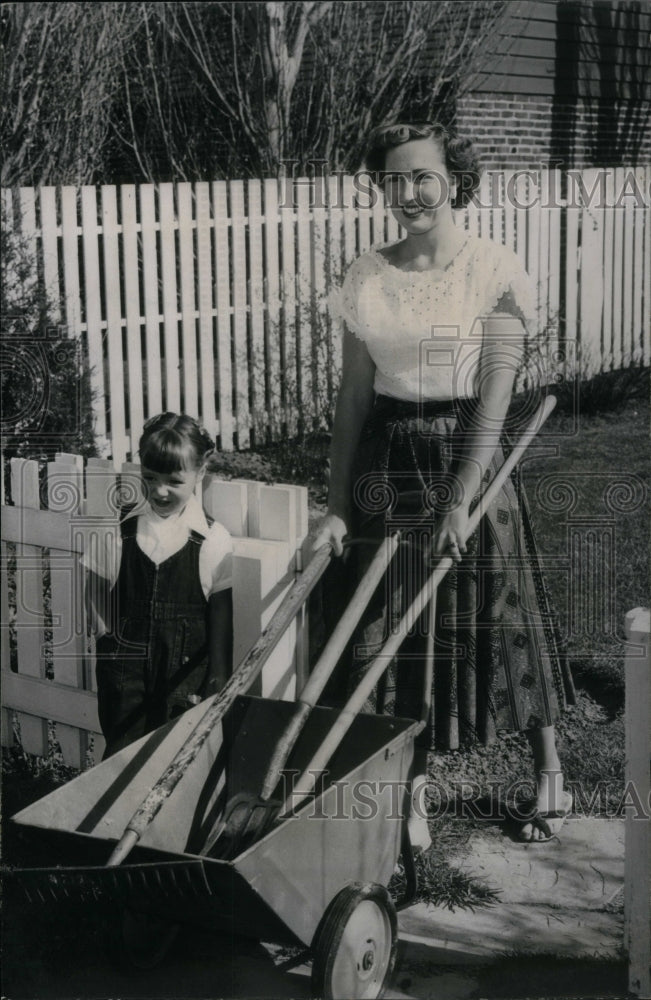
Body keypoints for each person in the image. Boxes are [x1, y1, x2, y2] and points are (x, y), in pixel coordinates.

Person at [312, 121, 574, 847]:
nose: (407, 193)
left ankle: (549, 771)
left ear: (453, 180)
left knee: (496, 612)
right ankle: (410, 789)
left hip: (467, 453)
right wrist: (336, 505)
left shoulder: (491, 268)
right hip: (388, 460)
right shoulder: (367, 274)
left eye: (421, 176)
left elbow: (494, 394)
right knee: (390, 628)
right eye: (392, 180)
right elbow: (352, 399)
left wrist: (461, 497)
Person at [84, 413, 233, 758]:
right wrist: (107, 637)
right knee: (122, 753)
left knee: (176, 754)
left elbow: (221, 613)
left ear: (200, 471)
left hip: (184, 675)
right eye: (150, 478)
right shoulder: (119, 532)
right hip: (125, 673)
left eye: (173, 480)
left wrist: (219, 674)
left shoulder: (212, 540)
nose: (160, 490)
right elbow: (94, 586)